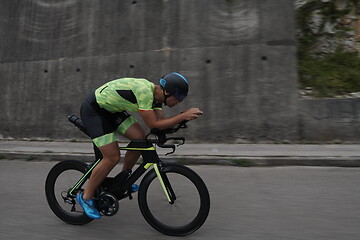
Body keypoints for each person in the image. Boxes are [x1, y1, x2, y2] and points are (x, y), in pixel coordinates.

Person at [76, 72, 203, 219]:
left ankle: (123, 180)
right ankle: (85, 197)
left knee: (140, 140)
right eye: (179, 96)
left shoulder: (157, 99)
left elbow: (159, 126)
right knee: (112, 157)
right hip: (94, 111)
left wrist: (181, 120)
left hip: (112, 111)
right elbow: (153, 123)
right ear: (167, 91)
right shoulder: (145, 92)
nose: (179, 101)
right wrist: (182, 115)